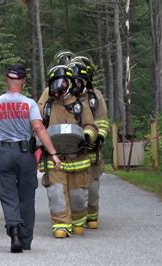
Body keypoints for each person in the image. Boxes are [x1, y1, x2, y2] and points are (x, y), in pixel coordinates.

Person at [0, 64, 61, 253]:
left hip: (3, 152)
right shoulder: (29, 104)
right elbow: (39, 129)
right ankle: (25, 240)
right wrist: (54, 154)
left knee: (8, 197)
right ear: (23, 81)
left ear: (6, 79)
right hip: (25, 154)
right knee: (26, 197)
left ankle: (14, 230)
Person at [37, 64, 98, 238]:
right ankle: (61, 224)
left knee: (78, 195)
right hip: (54, 158)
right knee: (56, 193)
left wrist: (87, 136)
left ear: (69, 83)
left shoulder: (80, 106)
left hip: (78, 157)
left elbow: (91, 126)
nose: (58, 86)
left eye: (62, 82)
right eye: (55, 83)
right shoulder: (46, 107)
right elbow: (37, 127)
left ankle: (78, 221)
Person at [69, 57, 110, 229]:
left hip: (92, 151)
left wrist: (99, 137)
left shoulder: (95, 97)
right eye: (73, 81)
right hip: (71, 151)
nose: (76, 84)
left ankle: (92, 215)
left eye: (80, 81)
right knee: (73, 185)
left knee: (92, 185)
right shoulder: (65, 98)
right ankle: (73, 214)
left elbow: (102, 121)